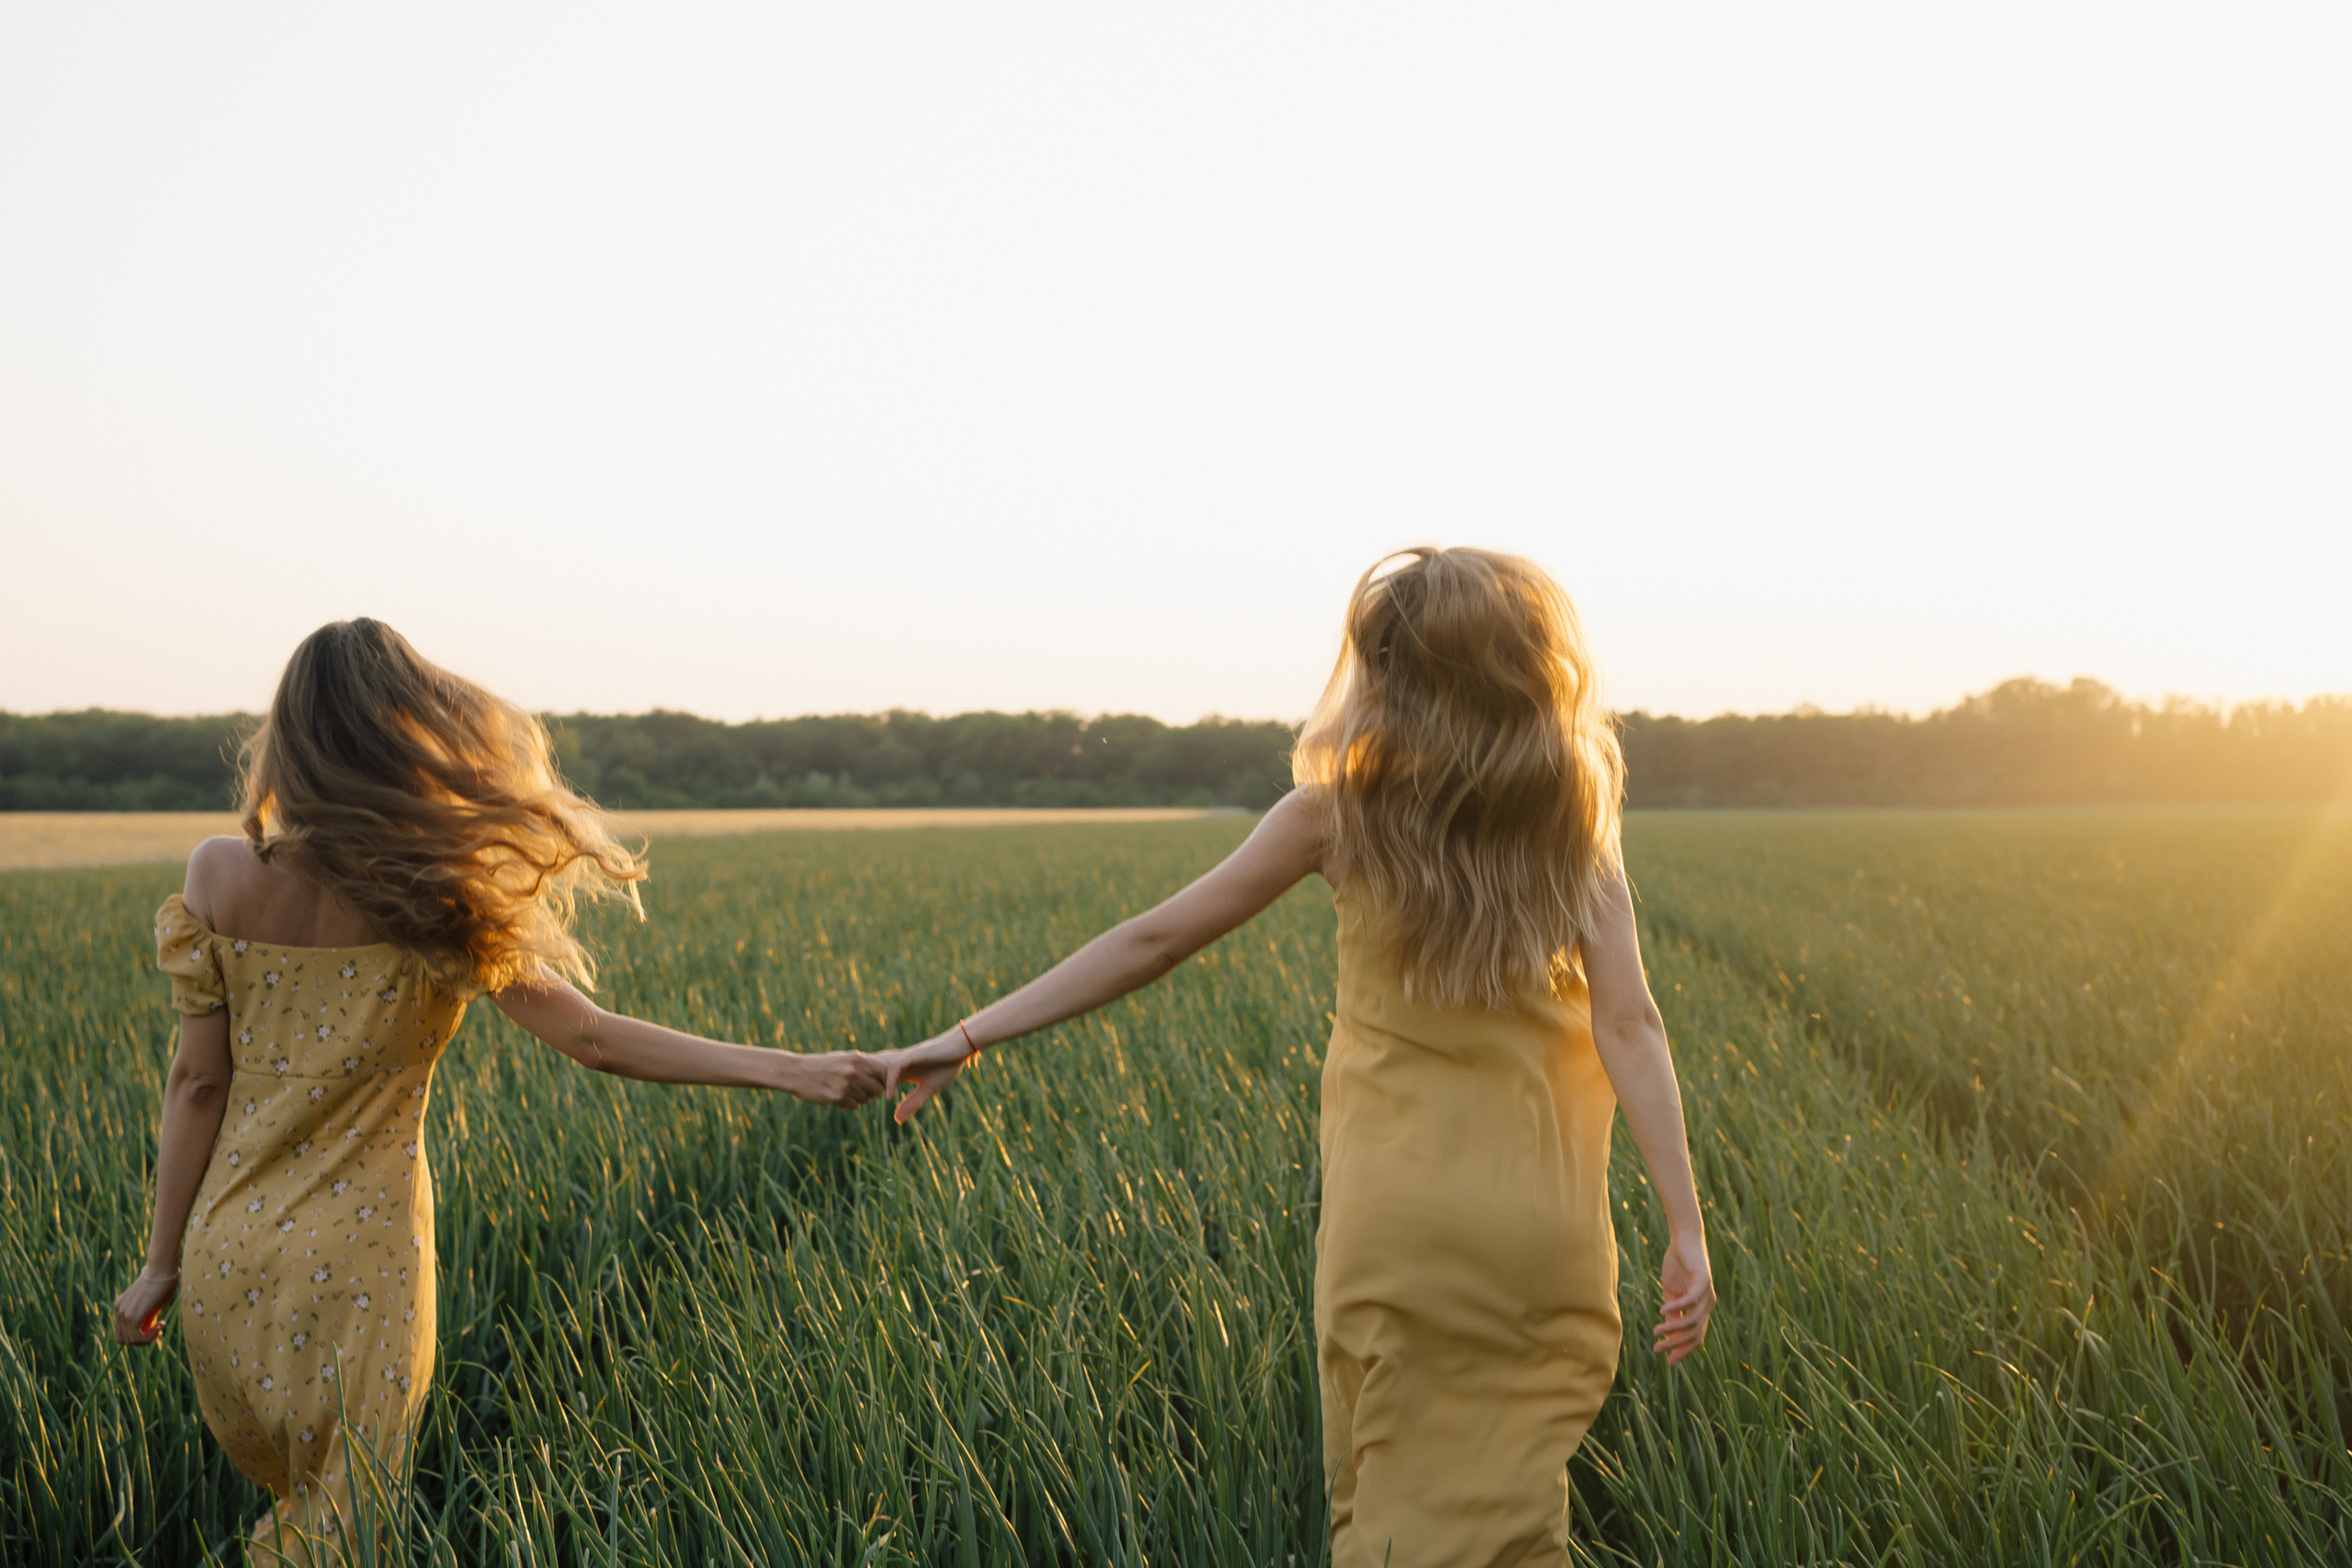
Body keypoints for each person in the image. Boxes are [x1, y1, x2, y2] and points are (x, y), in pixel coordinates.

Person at [881, 547, 1714, 1564]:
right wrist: (1684, 1225)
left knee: (1386, 1490)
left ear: (1387, 674)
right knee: (1509, 1512)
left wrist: (965, 1036)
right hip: (1539, 1226)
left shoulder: (1337, 811)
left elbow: (1154, 941)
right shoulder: (1575, 823)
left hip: (1395, 1221)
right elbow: (1630, 1028)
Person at [111, 619, 886, 1563]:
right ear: (408, 732)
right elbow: (594, 1041)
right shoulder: (432, 894)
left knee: (298, 1507)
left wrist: (160, 1265)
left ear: (290, 736)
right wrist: (794, 1069)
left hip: (232, 1251)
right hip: (365, 1265)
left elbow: (197, 1084)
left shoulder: (218, 873)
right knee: (344, 1526)